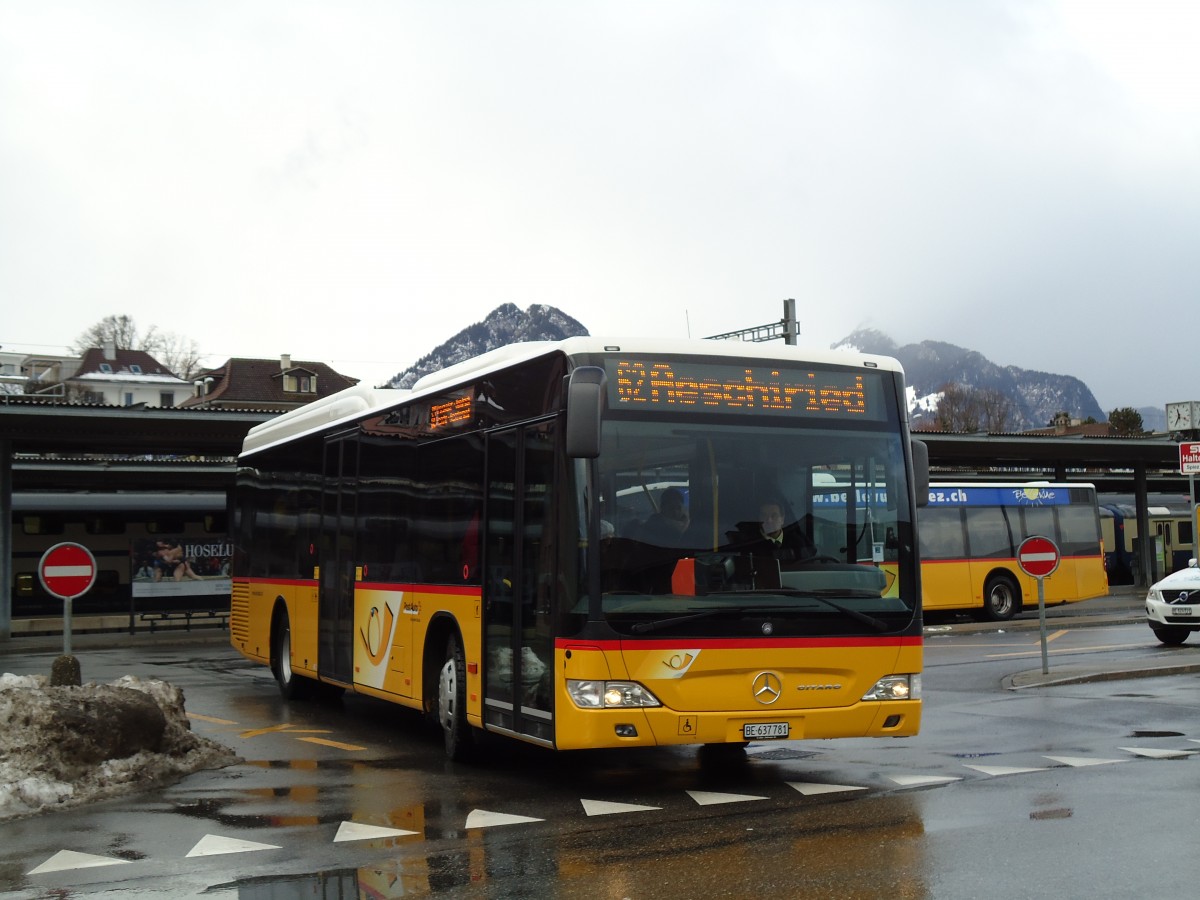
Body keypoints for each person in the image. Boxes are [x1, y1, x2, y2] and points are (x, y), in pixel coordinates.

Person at [742, 498, 816, 562]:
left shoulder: (797, 542)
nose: (769, 520)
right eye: (764, 515)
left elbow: (806, 567)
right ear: (759, 519)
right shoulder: (750, 544)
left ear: (782, 519)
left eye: (774, 516)